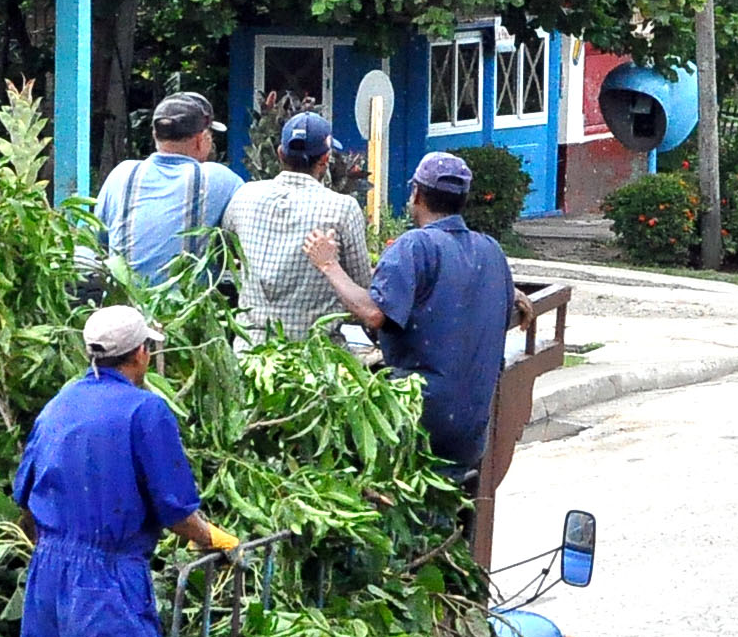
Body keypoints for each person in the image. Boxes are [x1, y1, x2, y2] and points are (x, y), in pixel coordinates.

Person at [11, 305, 241, 637]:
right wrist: (214, 538)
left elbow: (26, 495)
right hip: (106, 586)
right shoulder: (146, 410)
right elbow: (176, 512)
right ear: (141, 353)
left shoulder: (61, 402)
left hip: (45, 578)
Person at [302, 150, 528, 479]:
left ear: (417, 195)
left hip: (417, 423)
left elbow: (374, 314)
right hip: (472, 430)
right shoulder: (491, 250)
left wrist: (328, 264)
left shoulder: (415, 247)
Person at [221, 110, 371, 339]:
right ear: (325, 159)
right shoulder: (342, 209)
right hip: (315, 355)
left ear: (280, 153)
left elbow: (230, 253)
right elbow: (360, 286)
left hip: (249, 351)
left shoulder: (244, 196)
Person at [92, 92, 245, 287]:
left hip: (124, 308)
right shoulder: (220, 179)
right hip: (186, 311)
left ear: (155, 135)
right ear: (201, 139)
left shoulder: (121, 174)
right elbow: (243, 242)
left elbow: (99, 241)